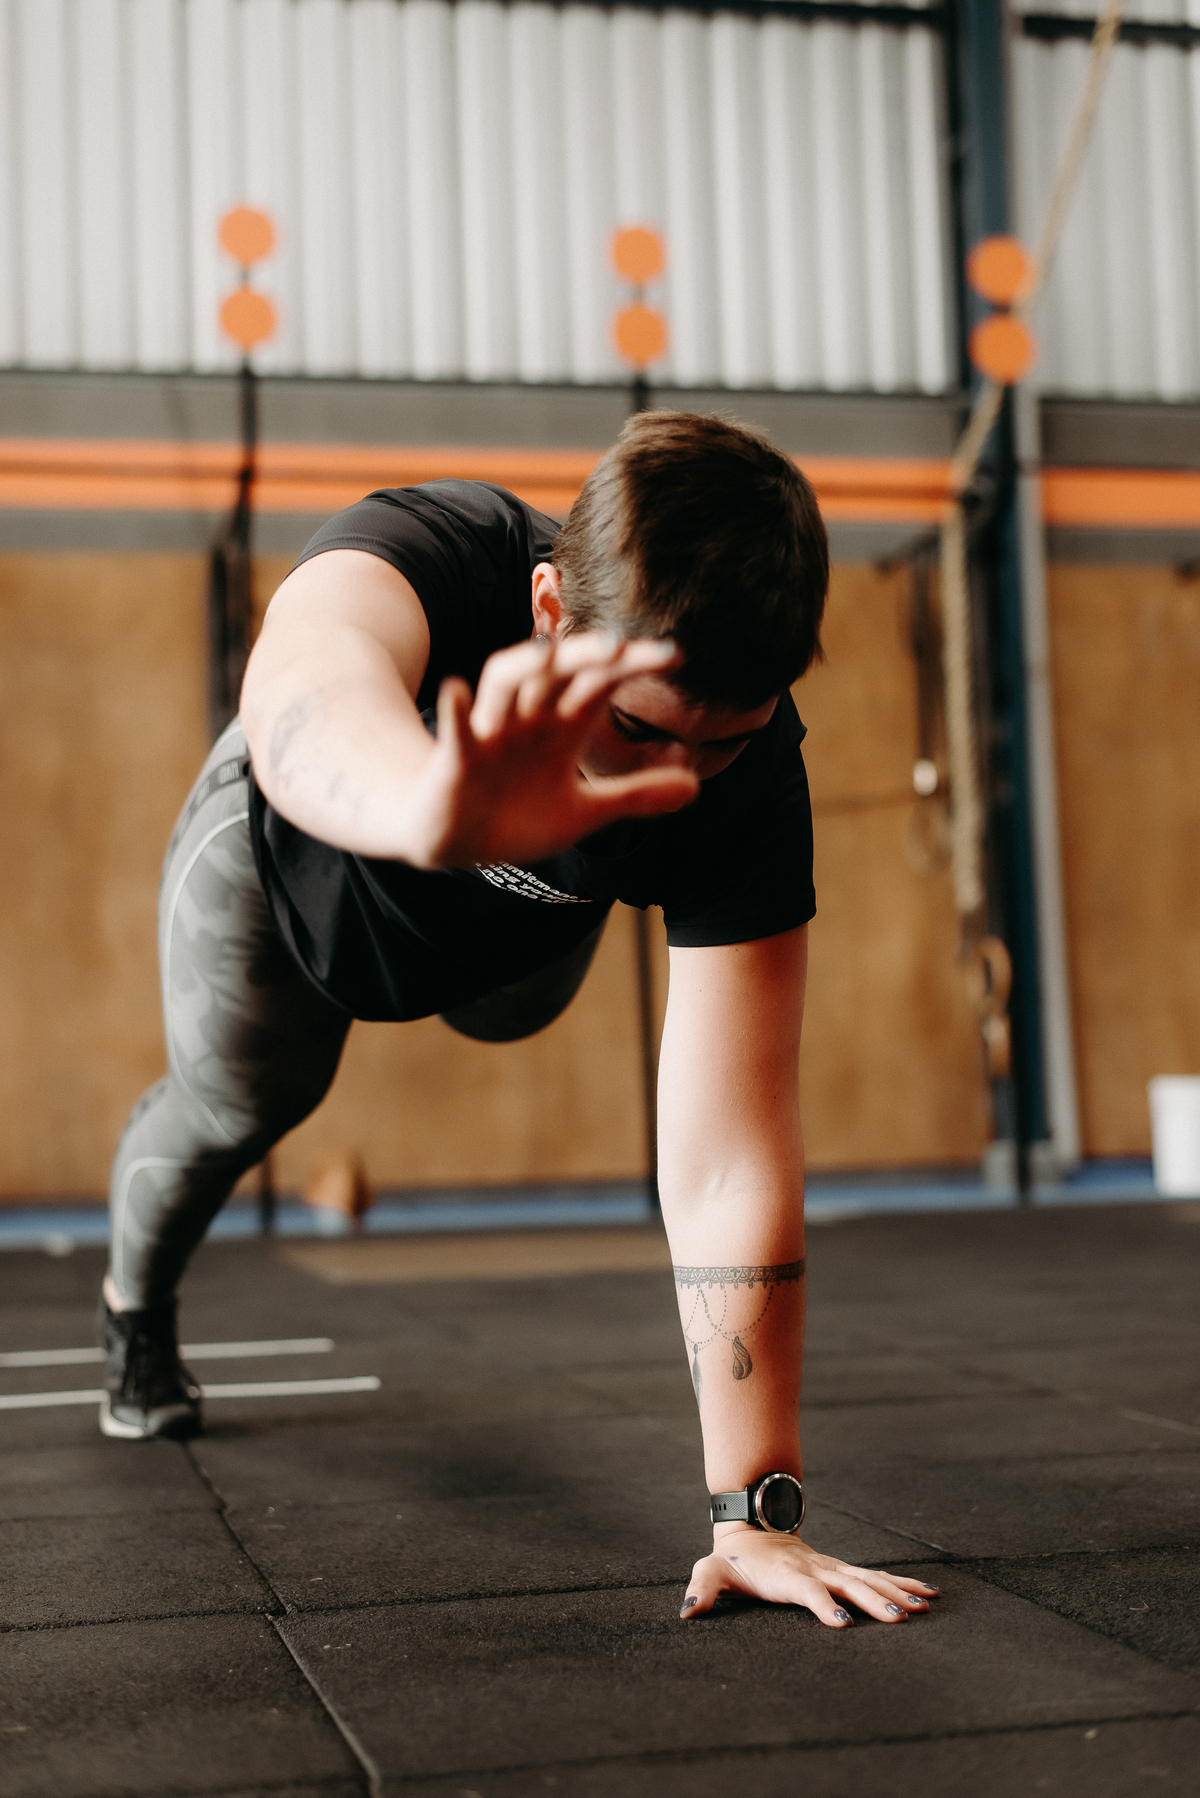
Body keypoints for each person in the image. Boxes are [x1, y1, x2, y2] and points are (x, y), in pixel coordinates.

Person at [100, 410, 938, 1630]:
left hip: (514, 942)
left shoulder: (750, 780)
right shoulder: (438, 547)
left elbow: (727, 1156)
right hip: (295, 883)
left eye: (724, 742)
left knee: (520, 1013)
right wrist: (429, 808)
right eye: (636, 727)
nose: (677, 776)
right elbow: (302, 689)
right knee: (244, 1103)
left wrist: (757, 1513)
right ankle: (134, 1308)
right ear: (549, 611)